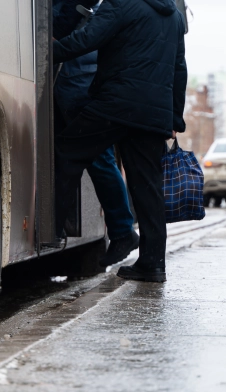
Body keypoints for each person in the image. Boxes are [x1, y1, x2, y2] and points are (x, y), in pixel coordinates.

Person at [53, 0, 187, 283]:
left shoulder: (122, 3)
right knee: (148, 187)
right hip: (154, 113)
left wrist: (44, 51)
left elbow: (88, 38)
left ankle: (53, 232)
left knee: (68, 151)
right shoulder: (173, 14)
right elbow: (179, 67)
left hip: (115, 104)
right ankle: (153, 264)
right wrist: (175, 119)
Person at [53, 0, 138, 267]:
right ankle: (58, 226)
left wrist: (47, 43)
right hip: (77, 79)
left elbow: (66, 22)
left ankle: (123, 230)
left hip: (76, 82)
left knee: (95, 160)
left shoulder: (87, 8)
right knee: (82, 159)